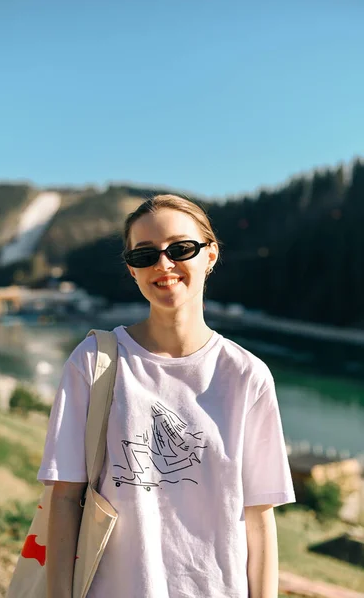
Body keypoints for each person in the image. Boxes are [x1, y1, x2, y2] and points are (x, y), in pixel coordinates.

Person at [38, 194, 296, 598]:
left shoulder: (247, 376)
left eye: (180, 249)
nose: (163, 264)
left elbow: (259, 520)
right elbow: (65, 499)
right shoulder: (95, 362)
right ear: (132, 270)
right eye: (145, 255)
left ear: (210, 255)